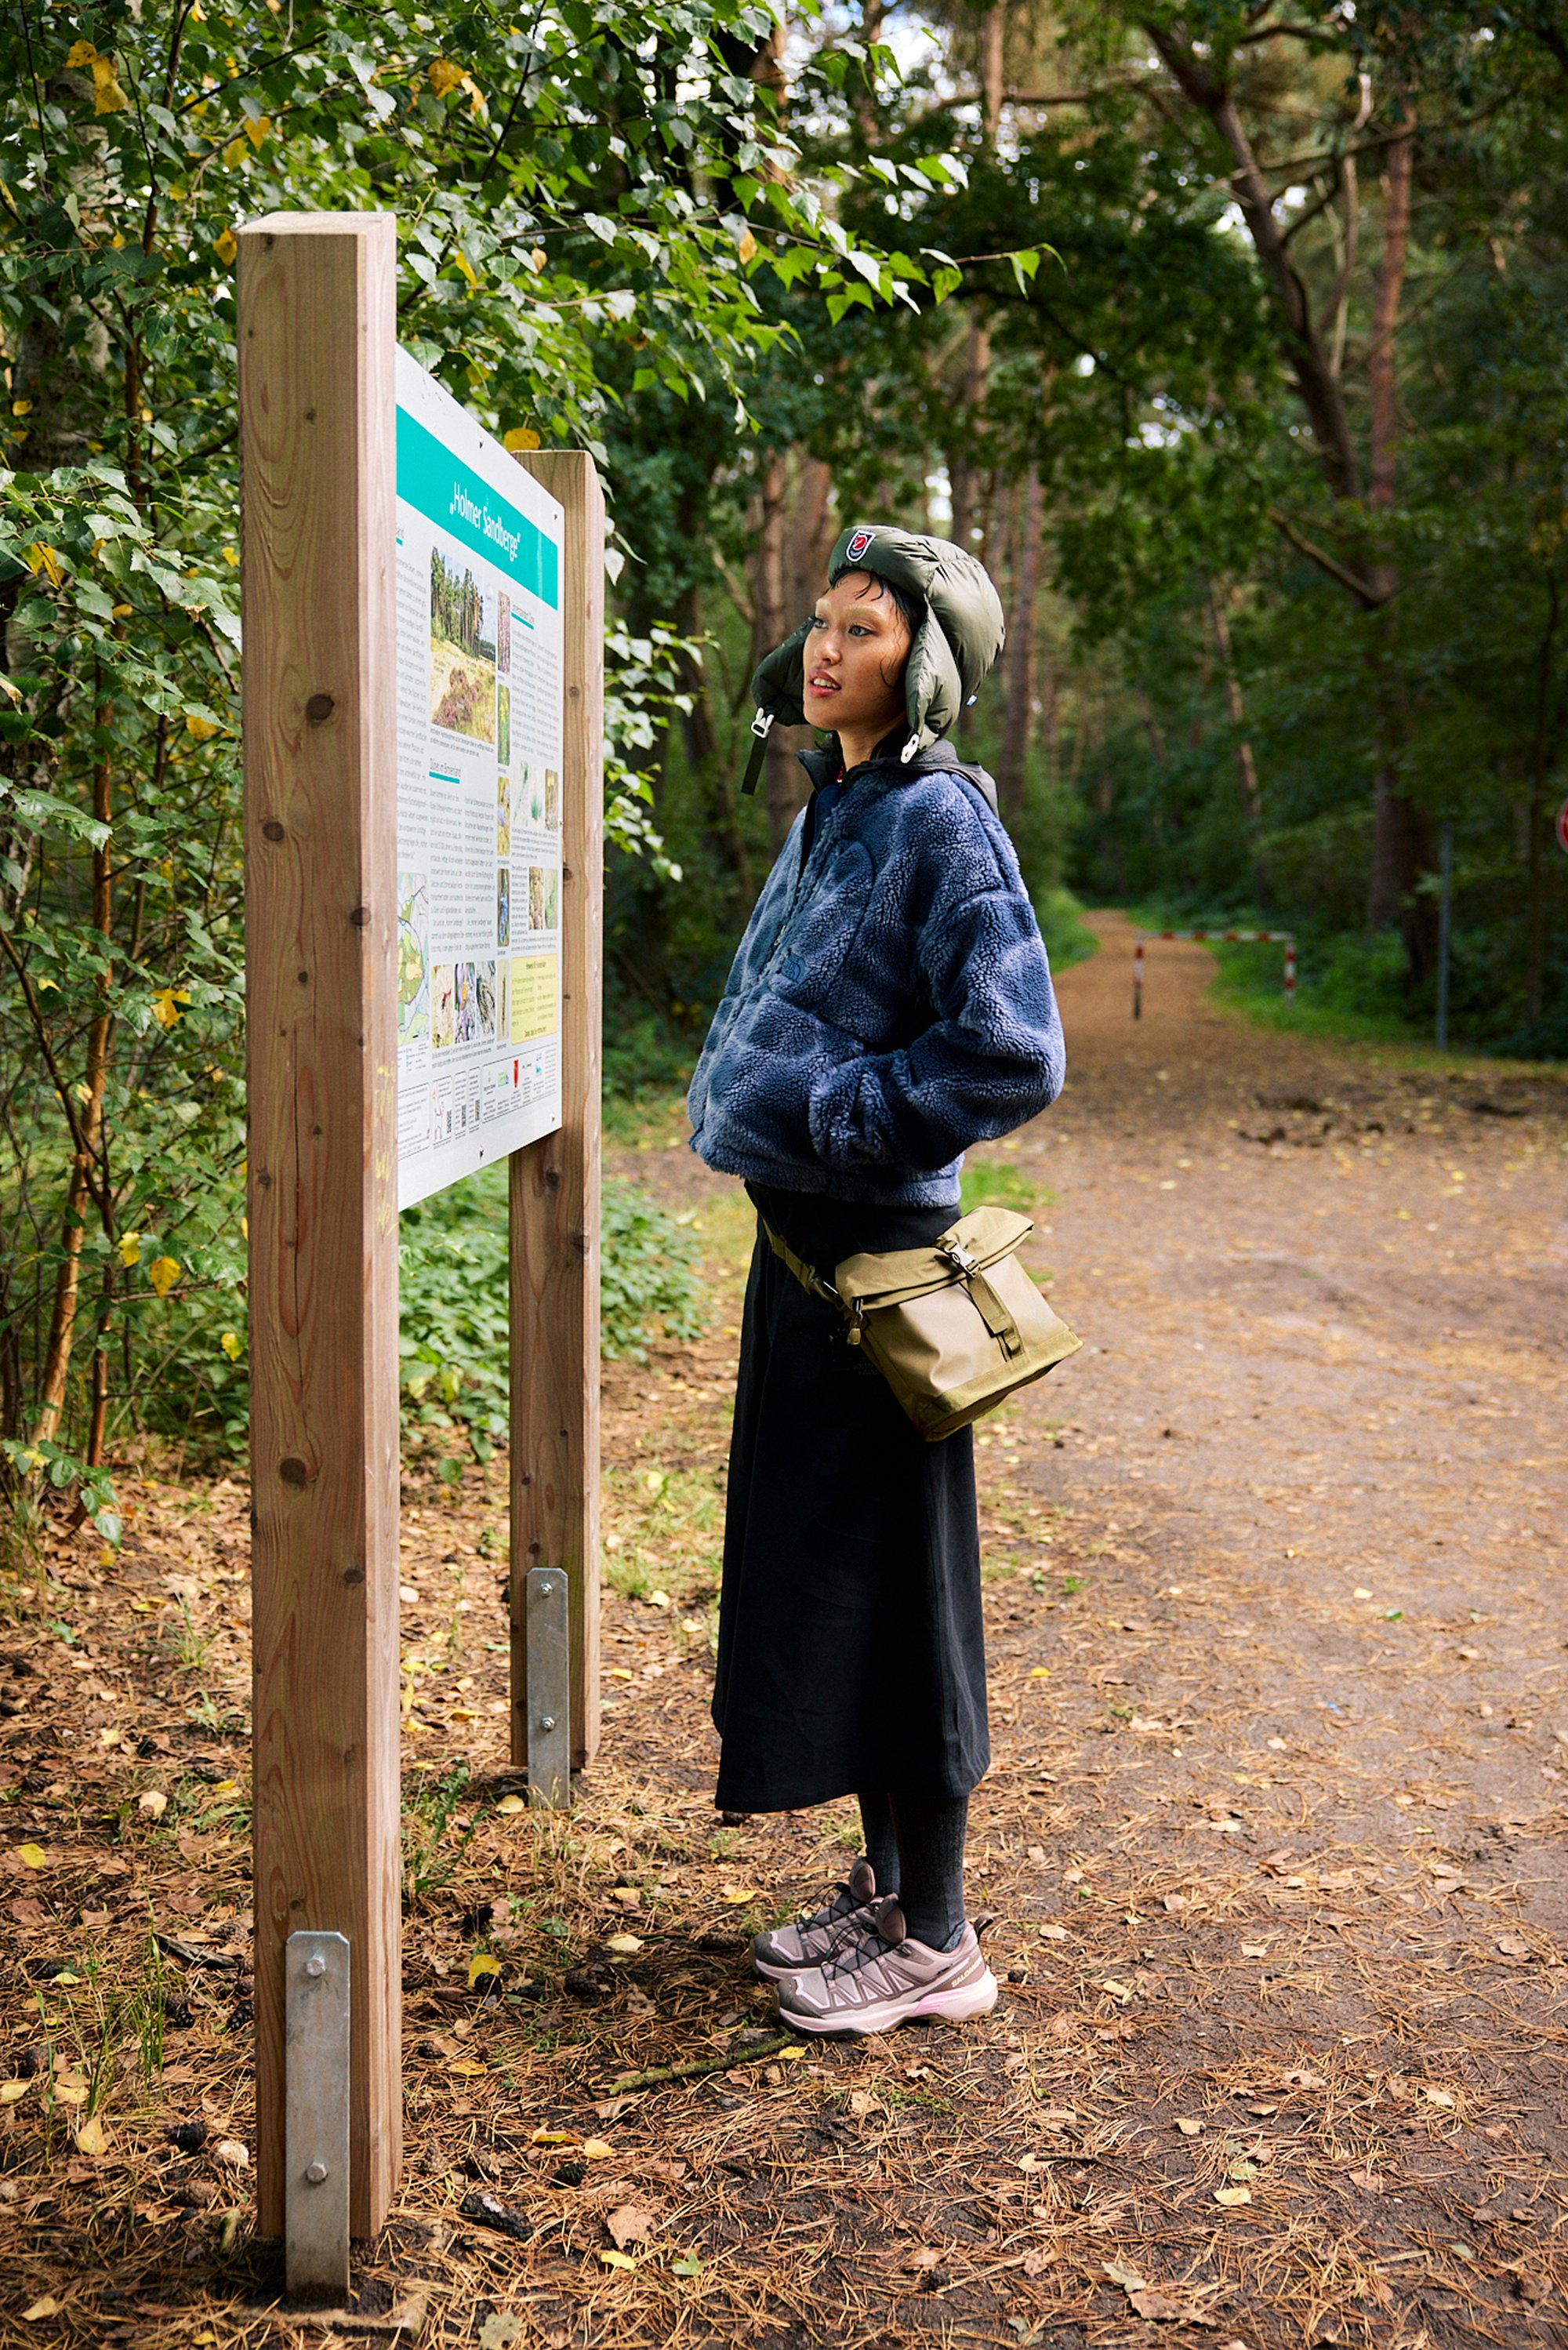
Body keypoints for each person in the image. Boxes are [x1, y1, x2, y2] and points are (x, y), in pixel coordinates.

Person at [685, 523, 1065, 2036]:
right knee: (833, 1584)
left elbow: (1013, 1047)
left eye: (869, 628)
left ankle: (946, 1937)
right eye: (824, 622)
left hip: (883, 1271)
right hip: (806, 1261)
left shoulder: (943, 824)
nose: (831, 646)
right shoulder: (835, 806)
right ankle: (889, 1889)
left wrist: (847, 1120)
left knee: (907, 1594)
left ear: (928, 667)